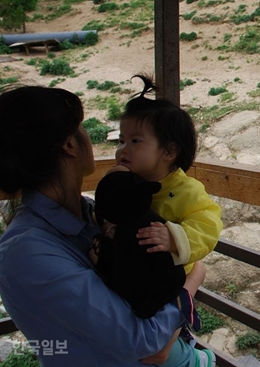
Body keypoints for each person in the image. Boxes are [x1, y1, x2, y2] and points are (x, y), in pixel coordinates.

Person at [0, 85, 215, 367]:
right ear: (70, 144)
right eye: (81, 126)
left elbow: (49, 342)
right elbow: (148, 343)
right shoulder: (26, 252)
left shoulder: (91, 214)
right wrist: (190, 284)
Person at [113, 74, 223, 276]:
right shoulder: (123, 184)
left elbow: (208, 226)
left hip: (167, 278)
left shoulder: (186, 191)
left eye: (135, 141)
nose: (123, 149)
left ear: (169, 152)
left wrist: (174, 239)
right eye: (121, 141)